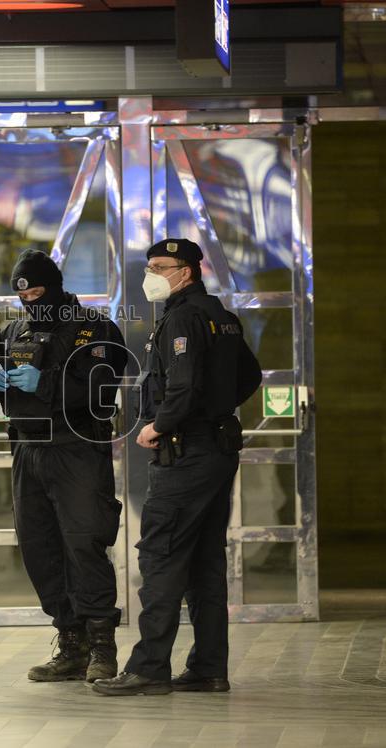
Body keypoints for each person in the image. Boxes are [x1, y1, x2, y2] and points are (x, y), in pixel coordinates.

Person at [93, 238, 262, 697]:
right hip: (216, 449)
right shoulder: (220, 316)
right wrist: (215, 408)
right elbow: (249, 376)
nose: (150, 274)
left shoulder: (184, 317)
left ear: (185, 271)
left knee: (162, 555)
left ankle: (148, 668)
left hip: (185, 452)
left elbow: (182, 387)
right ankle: (208, 668)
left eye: (158, 266)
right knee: (205, 561)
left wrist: (159, 424)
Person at [0, 249, 128, 684]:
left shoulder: (95, 328)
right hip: (27, 450)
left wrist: (48, 382)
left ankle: (102, 647)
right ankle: (70, 642)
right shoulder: (13, 330)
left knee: (83, 543)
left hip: (76, 448)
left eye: (38, 292)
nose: (30, 302)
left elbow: (101, 383)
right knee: (40, 548)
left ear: (54, 287)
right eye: (23, 295)